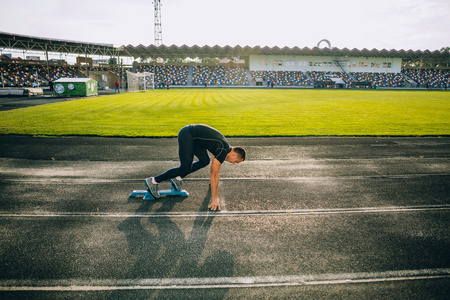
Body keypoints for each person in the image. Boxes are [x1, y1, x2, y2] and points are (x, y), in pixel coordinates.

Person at [145, 124, 246, 211]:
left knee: (204, 161)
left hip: (195, 138)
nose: (233, 163)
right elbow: (215, 174)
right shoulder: (222, 150)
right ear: (233, 155)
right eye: (236, 162)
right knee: (185, 167)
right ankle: (153, 181)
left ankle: (177, 178)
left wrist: (212, 182)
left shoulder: (225, 148)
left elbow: (214, 167)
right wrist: (215, 198)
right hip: (187, 134)